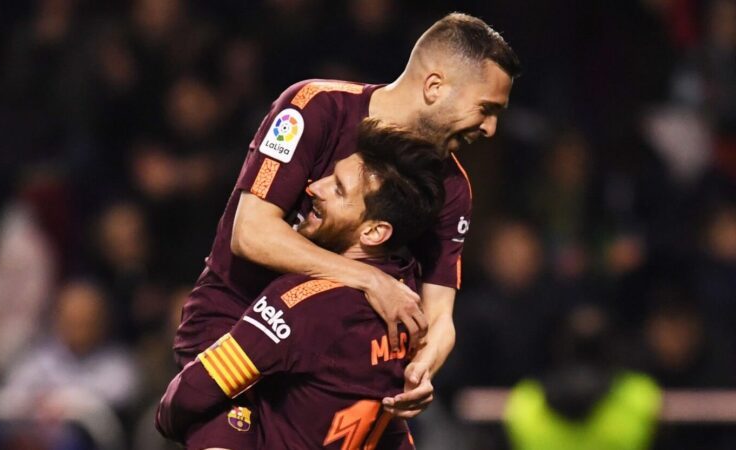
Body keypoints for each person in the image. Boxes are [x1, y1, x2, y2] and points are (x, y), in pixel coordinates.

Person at [172, 11, 521, 425]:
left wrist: (422, 370)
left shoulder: (451, 188)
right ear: (434, 86)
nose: (491, 128)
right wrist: (369, 279)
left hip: (335, 375)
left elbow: (440, 317)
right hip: (234, 331)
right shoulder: (314, 108)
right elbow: (250, 233)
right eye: (486, 108)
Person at [158, 121, 445, 448]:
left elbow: (191, 393)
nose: (314, 187)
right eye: (330, 176)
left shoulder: (302, 303)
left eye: (338, 189)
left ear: (374, 232)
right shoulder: (406, 294)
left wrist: (166, 417)